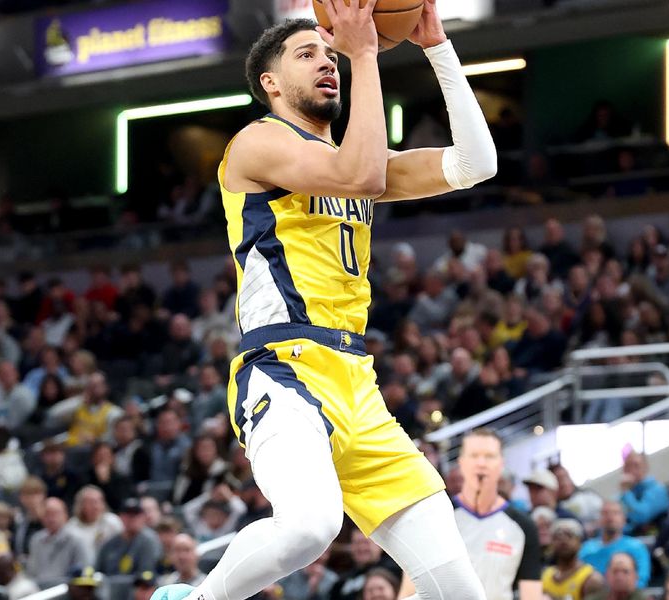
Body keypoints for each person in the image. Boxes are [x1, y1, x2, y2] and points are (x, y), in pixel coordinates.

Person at [153, 1, 497, 600]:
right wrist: (364, 52)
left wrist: (437, 47)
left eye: (329, 53)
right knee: (313, 525)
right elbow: (360, 176)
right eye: (306, 54)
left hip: (357, 386)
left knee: (459, 589)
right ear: (270, 83)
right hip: (283, 372)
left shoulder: (352, 161)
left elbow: (476, 164)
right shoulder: (255, 144)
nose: (327, 63)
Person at [403, 429, 541, 600]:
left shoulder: (523, 526)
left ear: (501, 464)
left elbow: (531, 594)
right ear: (461, 462)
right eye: (474, 455)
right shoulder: (436, 517)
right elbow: (409, 589)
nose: (481, 464)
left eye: (489, 456)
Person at [579, 501, 651, 588]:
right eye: (605, 513)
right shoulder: (586, 548)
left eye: (615, 513)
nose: (610, 517)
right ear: (598, 520)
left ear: (624, 520)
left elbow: (641, 580)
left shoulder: (636, 547)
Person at [542, 519, 603, 600]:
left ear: (580, 542)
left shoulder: (591, 579)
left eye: (569, 535)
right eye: (558, 536)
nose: (563, 540)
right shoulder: (544, 575)